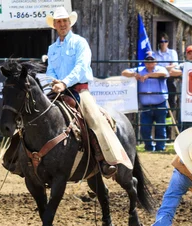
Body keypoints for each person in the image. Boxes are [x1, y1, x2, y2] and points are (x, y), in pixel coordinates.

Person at [45, 6, 132, 177]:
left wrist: (64, 82)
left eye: (64, 21)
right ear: (54, 24)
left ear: (70, 23)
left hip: (79, 91)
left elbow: (81, 67)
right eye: (59, 21)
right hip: (58, 91)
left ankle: (106, 159)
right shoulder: (52, 48)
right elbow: (50, 70)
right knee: (38, 113)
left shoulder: (80, 43)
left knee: (94, 119)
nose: (62, 24)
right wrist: (53, 82)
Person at [121, 54, 169, 152]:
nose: (150, 64)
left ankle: (160, 148)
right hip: (145, 104)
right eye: (147, 61)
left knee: (160, 126)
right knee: (145, 128)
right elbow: (124, 72)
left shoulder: (160, 69)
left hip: (160, 103)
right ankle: (149, 147)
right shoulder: (139, 69)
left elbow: (164, 74)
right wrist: (135, 75)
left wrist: (148, 75)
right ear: (145, 62)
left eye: (152, 61)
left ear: (155, 62)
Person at [170, 45, 192, 131]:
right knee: (184, 122)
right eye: (189, 53)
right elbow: (172, 72)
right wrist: (187, 72)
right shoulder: (183, 65)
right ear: (186, 55)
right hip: (185, 99)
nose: (191, 55)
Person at [153, 32, 179, 131]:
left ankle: (168, 129)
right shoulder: (155, 53)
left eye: (165, 41)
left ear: (168, 42)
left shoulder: (172, 52)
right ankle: (159, 127)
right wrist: (166, 68)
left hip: (169, 80)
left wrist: (161, 68)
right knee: (159, 102)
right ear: (159, 43)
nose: (163, 43)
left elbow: (175, 65)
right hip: (158, 80)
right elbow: (154, 67)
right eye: (161, 41)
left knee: (171, 102)